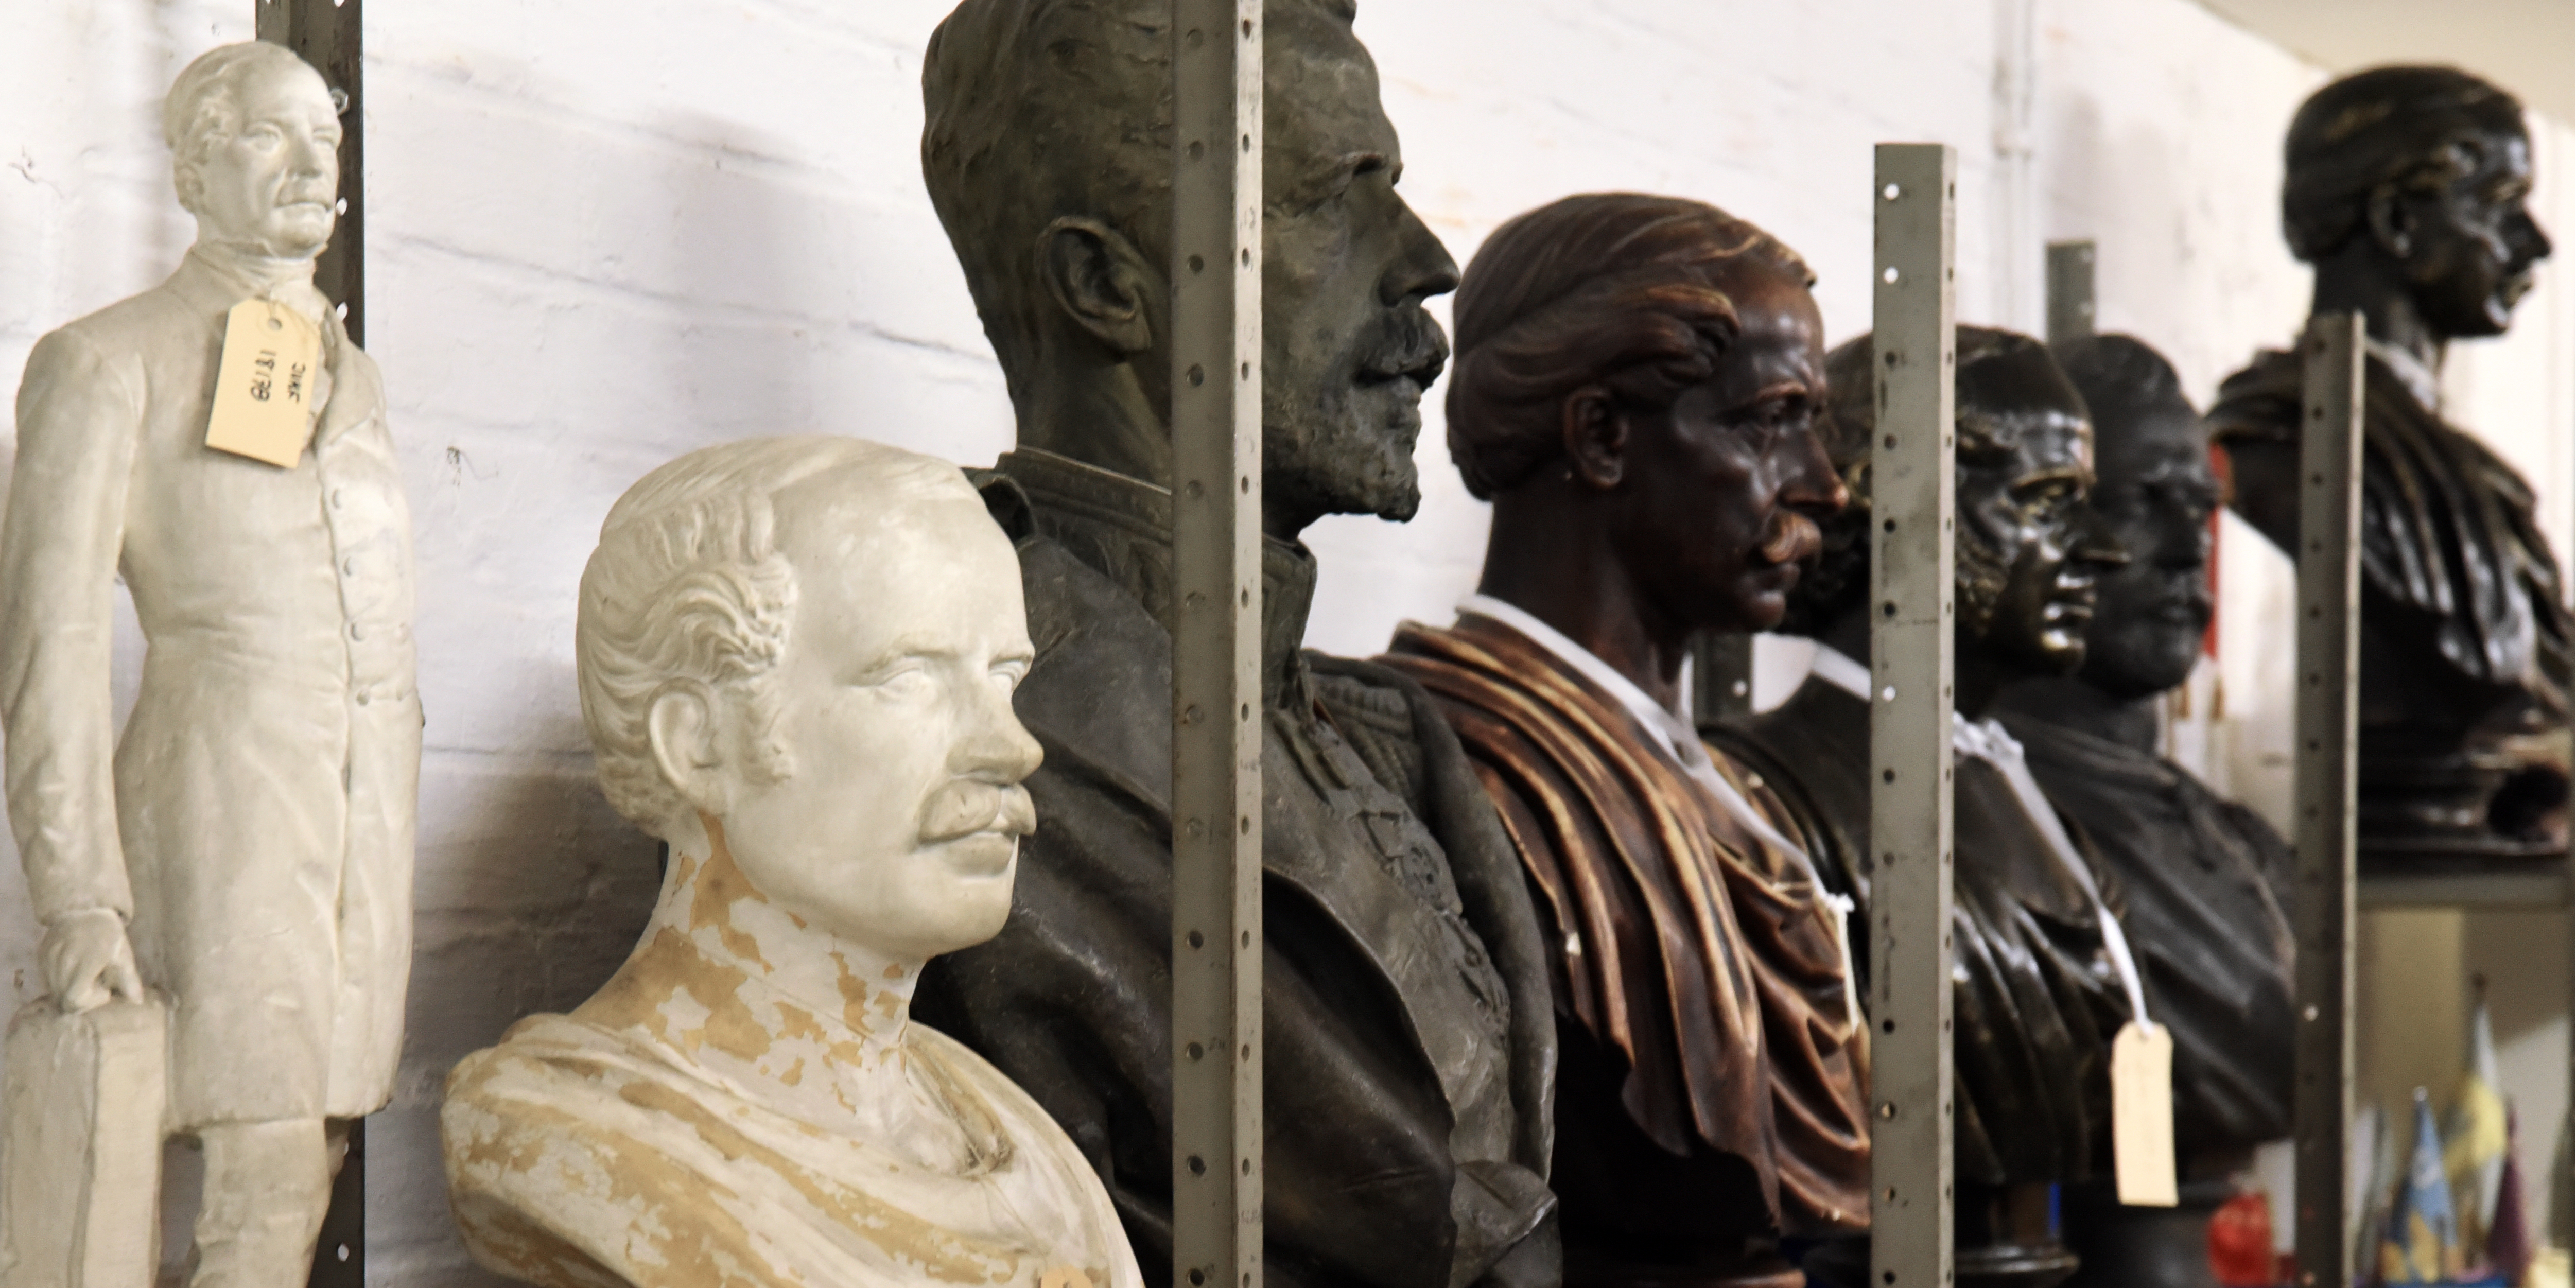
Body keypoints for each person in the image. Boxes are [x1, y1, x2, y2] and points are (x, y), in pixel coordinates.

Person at [913, 4, 1559, 1286]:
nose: (1428, 263)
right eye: (1333, 197)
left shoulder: (1389, 743)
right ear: (1107, 286)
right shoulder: (954, 754)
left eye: (1397, 190)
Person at [443, 437, 1142, 1288]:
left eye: (1005, 679)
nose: (1014, 745)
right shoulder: (581, 1136)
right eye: (909, 677)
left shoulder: (1024, 1148)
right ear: (697, 742)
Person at [1377, 194, 1866, 1288]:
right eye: (1767, 421)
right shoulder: (1441, 768)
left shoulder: (1734, 789)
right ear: (1601, 436)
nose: (1824, 486)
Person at [0, 42, 412, 1282]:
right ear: (191, 167)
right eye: (266, 136)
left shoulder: (353, 373)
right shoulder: (106, 362)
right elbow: (52, 649)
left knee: (313, 1149)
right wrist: (79, 900)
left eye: (324, 144)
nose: (308, 167)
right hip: (218, 816)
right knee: (258, 1160)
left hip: (364, 828)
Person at [1709, 328, 2135, 1288]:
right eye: (2046, 502)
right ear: (1893, 504)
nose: (2103, 551)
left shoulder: (2016, 785)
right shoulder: (1765, 795)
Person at [1994, 335, 2298, 1288]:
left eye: (2202, 515)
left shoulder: (2234, 833)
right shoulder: (2000, 829)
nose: (2185, 555)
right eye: (2141, 507)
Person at [2210, 65, 2569, 857]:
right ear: (2401, 220)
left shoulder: (2454, 464)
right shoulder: (2287, 440)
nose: (2535, 242)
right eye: (2502, 205)